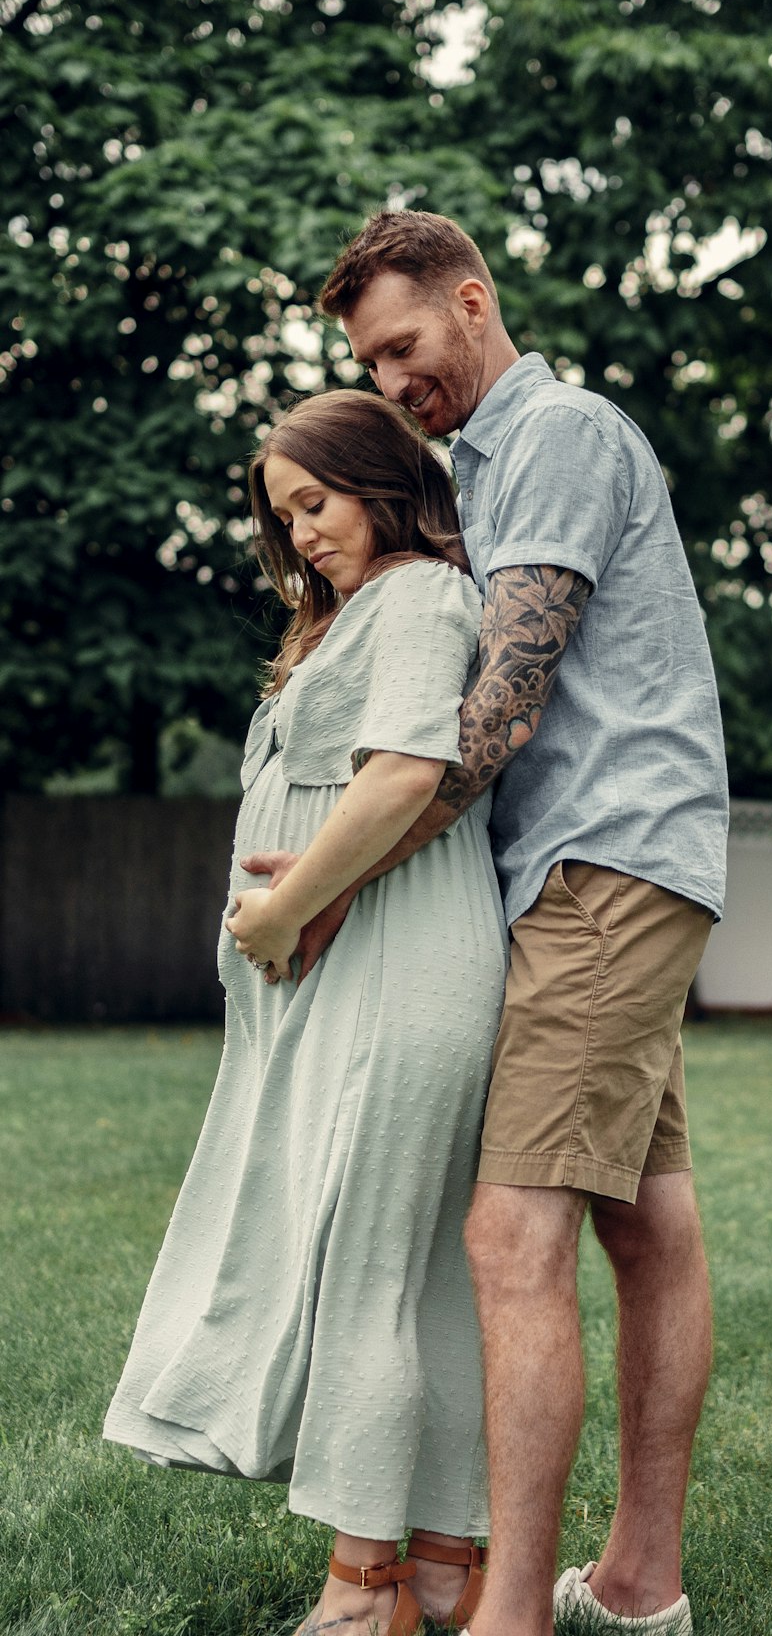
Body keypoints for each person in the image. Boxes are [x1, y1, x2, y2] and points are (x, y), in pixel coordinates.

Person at [249, 211, 729, 1636]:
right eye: (366, 361)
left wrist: (320, 892)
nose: (392, 380)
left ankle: (507, 1614)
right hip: (595, 871)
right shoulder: (488, 468)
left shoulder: (559, 432)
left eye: (402, 347)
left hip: (601, 862)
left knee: (511, 1236)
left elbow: (502, 704)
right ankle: (639, 1587)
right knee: (647, 1230)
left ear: (472, 304)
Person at [103, 389, 509, 1636]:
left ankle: (359, 1590)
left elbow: (404, 775)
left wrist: (281, 916)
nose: (304, 533)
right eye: (286, 518)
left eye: (317, 503)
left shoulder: (424, 597)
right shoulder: (334, 620)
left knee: (372, 1276)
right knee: (412, 1277)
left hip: (400, 956)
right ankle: (442, 1565)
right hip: (343, 971)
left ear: (384, 480)